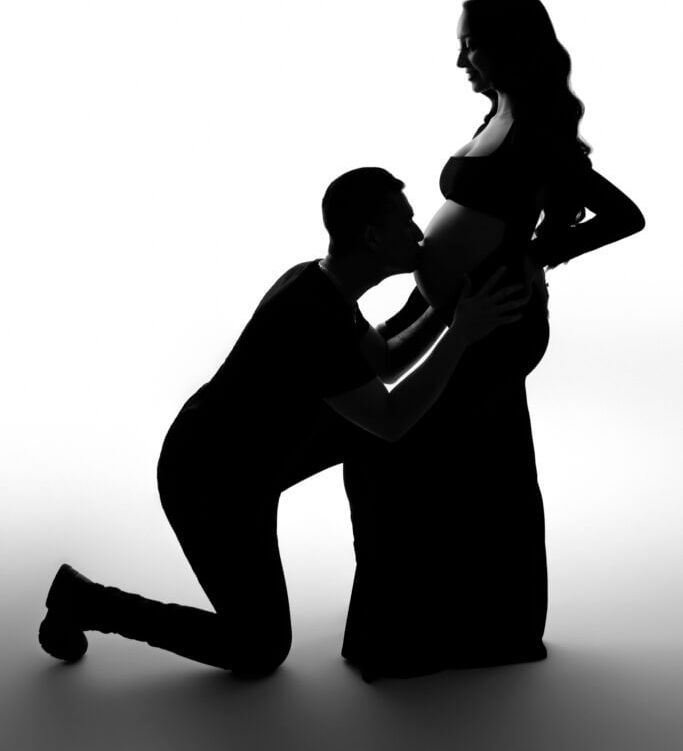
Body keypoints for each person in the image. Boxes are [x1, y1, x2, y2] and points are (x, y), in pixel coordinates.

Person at [38, 167, 528, 676]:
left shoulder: (327, 285)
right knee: (259, 647)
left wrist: (448, 314)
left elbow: (383, 362)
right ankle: (85, 601)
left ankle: (405, 598)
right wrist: (461, 336)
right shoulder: (311, 313)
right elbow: (391, 419)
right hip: (209, 481)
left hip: (256, 456)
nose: (419, 233)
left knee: (382, 431)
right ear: (373, 238)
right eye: (406, 222)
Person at [341, 0, 646, 681]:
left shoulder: (536, 131)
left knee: (415, 460)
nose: (459, 60)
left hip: (496, 325)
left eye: (470, 44)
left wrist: (538, 255)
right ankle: (458, 625)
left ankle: (444, 634)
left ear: (509, 45)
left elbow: (624, 216)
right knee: (461, 470)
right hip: (463, 318)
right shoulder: (496, 115)